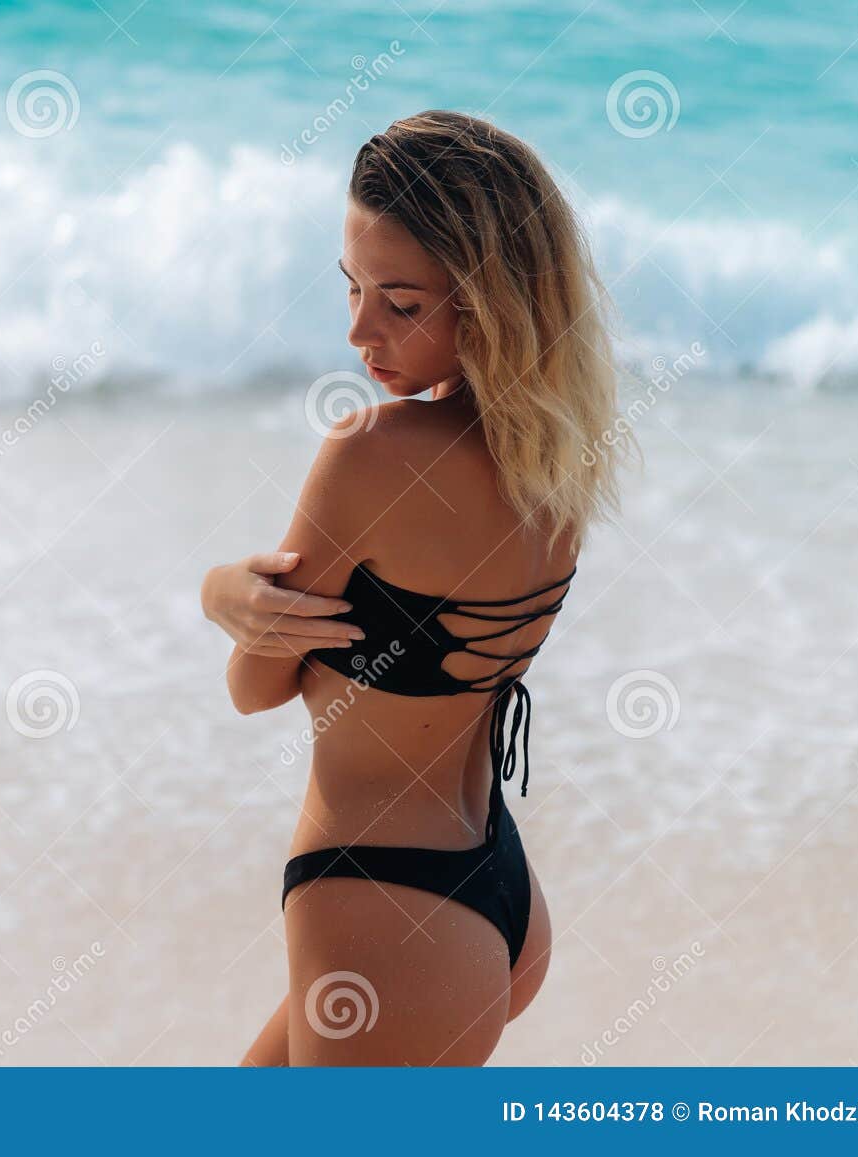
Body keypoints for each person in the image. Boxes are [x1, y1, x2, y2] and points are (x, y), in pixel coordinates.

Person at [201, 110, 634, 1065]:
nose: (361, 329)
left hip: (382, 907)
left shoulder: (372, 453)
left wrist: (221, 591)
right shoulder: (558, 461)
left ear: (495, 301)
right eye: (351, 289)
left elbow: (254, 685)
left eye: (401, 303)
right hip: (491, 891)